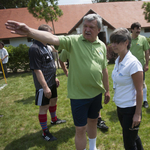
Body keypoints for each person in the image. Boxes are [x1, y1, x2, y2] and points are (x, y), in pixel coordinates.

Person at [5, 14, 110, 150]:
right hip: (79, 96)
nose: (87, 29)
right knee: (80, 129)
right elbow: (53, 38)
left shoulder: (101, 45)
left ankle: (93, 147)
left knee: (93, 121)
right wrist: (30, 31)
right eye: (85, 26)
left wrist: (107, 90)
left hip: (96, 94)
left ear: (99, 30)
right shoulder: (73, 41)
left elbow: (104, 69)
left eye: (92, 27)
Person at [29, 24, 66, 142]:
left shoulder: (46, 46)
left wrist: (55, 77)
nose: (52, 37)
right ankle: (45, 132)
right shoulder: (34, 48)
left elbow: (50, 64)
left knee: (54, 100)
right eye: (50, 35)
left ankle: (54, 119)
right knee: (44, 107)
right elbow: (37, 70)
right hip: (43, 84)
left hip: (51, 81)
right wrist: (45, 87)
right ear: (43, 34)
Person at [59, 49, 109, 130]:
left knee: (94, 114)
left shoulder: (99, 45)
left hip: (96, 87)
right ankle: (86, 123)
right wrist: (65, 71)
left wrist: (107, 90)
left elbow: (104, 68)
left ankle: (98, 120)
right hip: (79, 90)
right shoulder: (71, 45)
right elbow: (61, 59)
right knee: (81, 127)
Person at [111, 28, 144, 150]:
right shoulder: (118, 60)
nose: (113, 45)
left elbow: (139, 90)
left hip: (131, 109)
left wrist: (137, 114)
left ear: (126, 42)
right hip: (121, 107)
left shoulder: (133, 63)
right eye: (112, 42)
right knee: (133, 138)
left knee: (129, 144)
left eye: (117, 42)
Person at [130, 22, 150, 108]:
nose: (139, 30)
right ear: (132, 30)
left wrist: (146, 64)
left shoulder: (143, 39)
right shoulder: (127, 39)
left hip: (140, 66)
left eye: (139, 28)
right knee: (130, 83)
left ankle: (145, 101)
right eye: (137, 29)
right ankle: (132, 101)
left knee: (142, 83)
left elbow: (147, 51)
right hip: (129, 66)